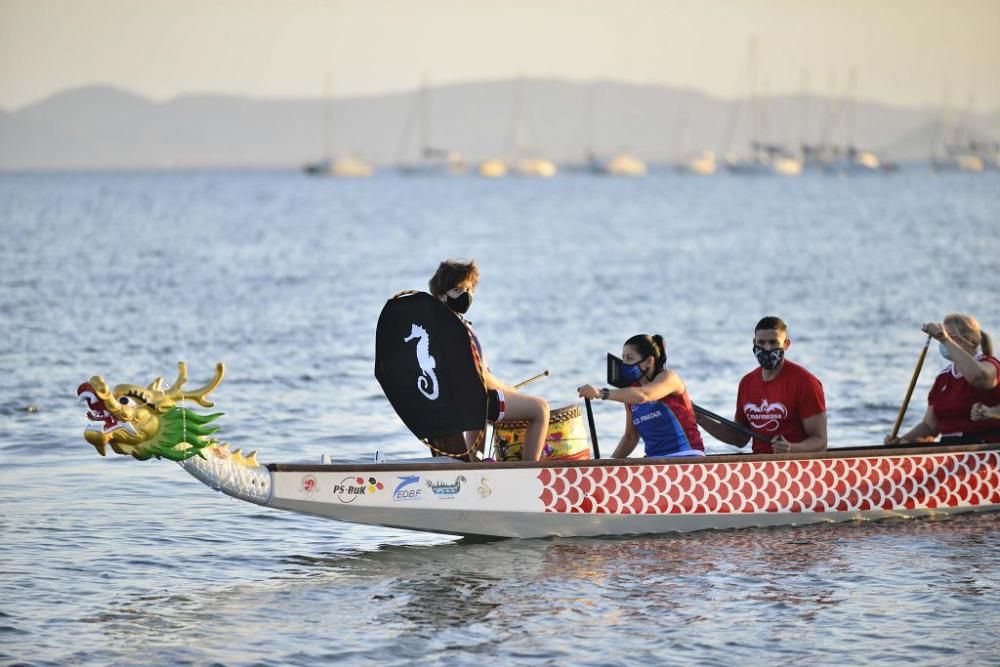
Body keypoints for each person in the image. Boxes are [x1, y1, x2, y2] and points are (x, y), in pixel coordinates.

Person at [428, 259, 550, 461]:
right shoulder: (456, 328)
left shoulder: (440, 325)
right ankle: (529, 474)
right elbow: (481, 378)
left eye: (469, 290)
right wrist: (508, 389)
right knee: (540, 409)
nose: (466, 296)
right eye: (458, 291)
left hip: (462, 401)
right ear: (442, 295)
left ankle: (476, 464)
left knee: (480, 423)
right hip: (472, 401)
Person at [696, 316, 827, 454]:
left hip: (795, 467)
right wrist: (699, 417)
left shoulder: (805, 382)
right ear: (754, 343)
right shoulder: (746, 383)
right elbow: (739, 438)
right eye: (761, 342)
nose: (767, 348)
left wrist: (791, 449)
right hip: (759, 468)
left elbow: (820, 442)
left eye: (773, 343)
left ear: (786, 344)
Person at [577, 334, 704, 458]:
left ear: (649, 361)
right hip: (654, 461)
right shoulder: (631, 393)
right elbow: (630, 437)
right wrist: (605, 467)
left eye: (630, 358)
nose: (625, 364)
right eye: (624, 358)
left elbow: (644, 395)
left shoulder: (669, 378)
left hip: (687, 457)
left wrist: (601, 393)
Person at [886, 314, 1000, 445]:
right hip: (948, 448)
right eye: (940, 338)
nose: (942, 342)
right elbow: (929, 427)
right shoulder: (942, 378)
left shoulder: (991, 364)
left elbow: (979, 378)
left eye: (948, 336)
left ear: (968, 340)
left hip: (982, 448)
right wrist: (900, 441)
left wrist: (945, 340)